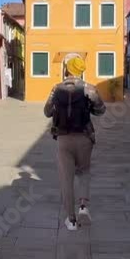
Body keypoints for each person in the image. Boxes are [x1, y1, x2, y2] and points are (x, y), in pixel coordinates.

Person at [43, 53, 106, 231]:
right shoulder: (89, 88)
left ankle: (71, 221)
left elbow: (47, 111)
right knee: (84, 171)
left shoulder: (56, 88)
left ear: (67, 69)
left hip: (63, 138)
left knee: (66, 179)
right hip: (85, 137)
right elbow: (100, 110)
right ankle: (84, 206)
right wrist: (91, 103)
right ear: (81, 72)